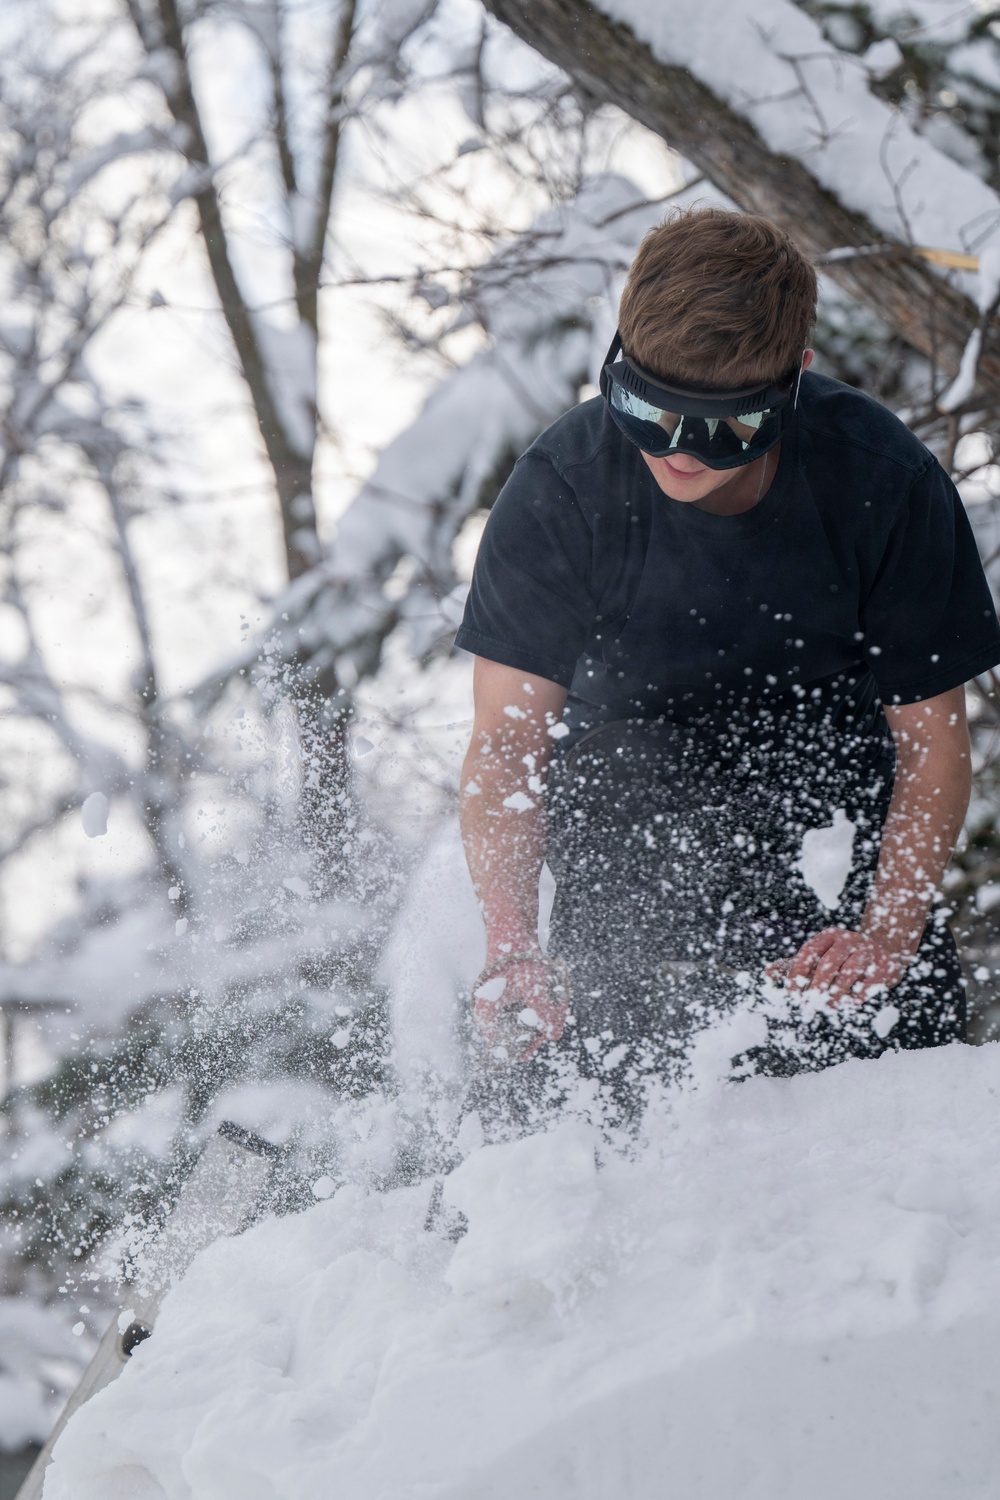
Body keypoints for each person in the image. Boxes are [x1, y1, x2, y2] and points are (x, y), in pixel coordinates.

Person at [455, 209, 1000, 1118]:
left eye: (721, 429)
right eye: (646, 411)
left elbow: (933, 743)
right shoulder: (562, 488)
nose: (675, 450)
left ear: (795, 385)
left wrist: (884, 934)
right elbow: (509, 751)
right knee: (619, 787)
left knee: (902, 1097)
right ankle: (582, 1123)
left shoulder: (882, 479)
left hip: (834, 799)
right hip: (635, 812)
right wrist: (512, 944)